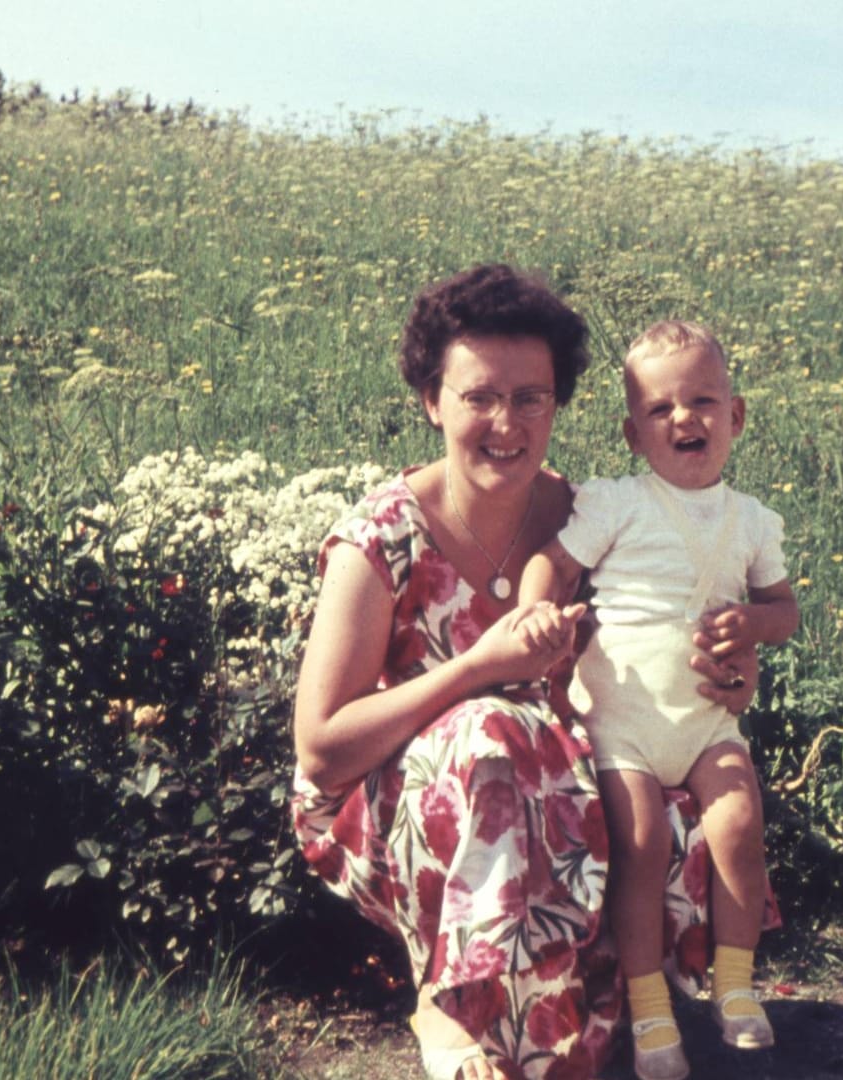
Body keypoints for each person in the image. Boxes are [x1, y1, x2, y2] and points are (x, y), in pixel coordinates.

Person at [292, 268, 771, 1080]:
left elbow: (660, 644)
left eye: (531, 399)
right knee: (493, 732)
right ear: (431, 401)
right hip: (392, 810)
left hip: (559, 805)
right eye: (478, 397)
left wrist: (731, 676)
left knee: (581, 1041)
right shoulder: (381, 538)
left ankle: (600, 1003)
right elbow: (320, 756)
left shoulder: (588, 520)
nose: (505, 423)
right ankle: (446, 1003)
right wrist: (478, 667)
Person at [514, 320, 799, 1080]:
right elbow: (553, 563)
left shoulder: (752, 520)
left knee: (740, 823)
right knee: (637, 843)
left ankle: (734, 986)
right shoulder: (617, 504)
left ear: (736, 417)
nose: (685, 419)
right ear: (633, 432)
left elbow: (785, 610)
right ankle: (649, 1010)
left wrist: (756, 623)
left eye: (704, 401)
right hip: (624, 721)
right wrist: (536, 611)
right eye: (661, 408)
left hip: (707, 719)